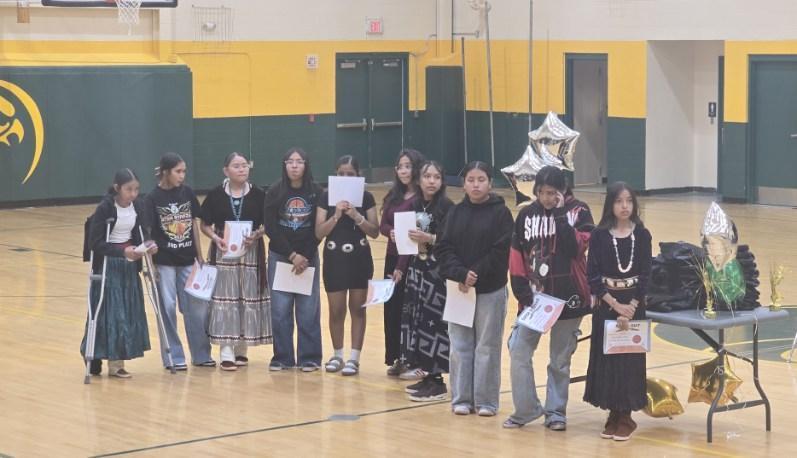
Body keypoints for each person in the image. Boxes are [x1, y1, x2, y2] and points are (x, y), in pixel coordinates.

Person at [503, 166, 594, 430]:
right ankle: (526, 409)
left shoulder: (579, 211)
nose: (546, 198)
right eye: (541, 192)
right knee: (518, 349)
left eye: (552, 193)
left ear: (563, 191)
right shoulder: (526, 214)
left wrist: (561, 215)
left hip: (570, 297)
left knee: (559, 359)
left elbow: (577, 247)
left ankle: (556, 412)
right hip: (535, 301)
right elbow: (516, 255)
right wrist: (521, 291)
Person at [436, 161, 514, 416]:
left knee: (486, 346)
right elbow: (444, 247)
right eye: (471, 180)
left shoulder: (501, 214)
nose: (476, 184)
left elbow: (501, 250)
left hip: (490, 289)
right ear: (464, 184)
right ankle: (461, 398)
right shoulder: (455, 213)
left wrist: (476, 273)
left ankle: (486, 401)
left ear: (490, 183)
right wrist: (460, 273)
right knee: (459, 345)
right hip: (459, 289)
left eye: (481, 179)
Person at [583, 182, 652, 441]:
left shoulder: (642, 235)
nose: (624, 206)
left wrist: (631, 307)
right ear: (610, 205)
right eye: (619, 201)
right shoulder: (600, 236)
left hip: (633, 304)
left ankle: (626, 416)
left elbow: (646, 274)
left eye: (629, 201)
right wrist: (614, 304)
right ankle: (612, 412)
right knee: (608, 360)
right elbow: (593, 275)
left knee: (629, 360)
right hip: (607, 304)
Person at [199, 152, 272, 372]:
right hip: (224, 252)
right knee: (225, 299)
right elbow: (204, 224)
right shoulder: (215, 195)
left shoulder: (259, 195)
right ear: (226, 171)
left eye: (244, 165)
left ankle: (242, 348)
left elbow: (268, 224)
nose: (242, 169)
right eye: (236, 166)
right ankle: (226, 350)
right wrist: (215, 238)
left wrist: (257, 235)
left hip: (250, 253)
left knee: (248, 297)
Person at [81, 169, 154, 378]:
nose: (133, 194)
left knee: (127, 313)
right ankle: (106, 359)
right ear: (117, 188)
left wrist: (147, 245)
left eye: (136, 189)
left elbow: (143, 231)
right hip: (109, 264)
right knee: (113, 315)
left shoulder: (138, 205)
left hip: (129, 264)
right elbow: (95, 243)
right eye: (128, 189)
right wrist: (122, 251)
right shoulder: (105, 208)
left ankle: (113, 360)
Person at [145, 152, 214, 370]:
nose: (182, 176)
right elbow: (148, 233)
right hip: (164, 262)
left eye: (184, 171)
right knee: (167, 307)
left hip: (188, 260)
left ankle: (201, 354)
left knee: (196, 308)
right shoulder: (152, 199)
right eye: (178, 171)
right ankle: (174, 356)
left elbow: (193, 223)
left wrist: (200, 255)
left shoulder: (187, 193)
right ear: (166, 172)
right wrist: (152, 263)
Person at [315, 155, 380, 376]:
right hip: (334, 258)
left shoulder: (367, 197)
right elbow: (318, 232)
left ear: (358, 176)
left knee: (358, 308)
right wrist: (336, 215)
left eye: (350, 174)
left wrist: (356, 215)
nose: (345, 177)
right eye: (341, 173)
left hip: (359, 258)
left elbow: (374, 231)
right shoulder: (326, 197)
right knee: (336, 309)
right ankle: (337, 354)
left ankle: (354, 357)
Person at [397, 161, 454, 401]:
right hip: (418, 271)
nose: (431, 181)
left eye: (436, 177)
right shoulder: (415, 205)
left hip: (437, 275)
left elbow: (452, 240)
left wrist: (429, 237)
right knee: (418, 322)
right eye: (427, 176)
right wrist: (399, 236)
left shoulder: (447, 207)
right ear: (419, 180)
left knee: (436, 325)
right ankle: (426, 375)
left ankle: (438, 380)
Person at [264, 147, 323, 372]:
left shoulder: (316, 193)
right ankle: (283, 357)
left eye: (299, 161)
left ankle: (310, 357)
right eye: (290, 161)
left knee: (308, 310)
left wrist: (304, 256)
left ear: (306, 165)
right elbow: (271, 227)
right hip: (281, 257)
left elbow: (318, 229)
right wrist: (292, 255)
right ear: (284, 165)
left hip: (308, 258)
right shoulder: (275, 191)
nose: (295, 166)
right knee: (280, 311)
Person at [379, 148, 425, 377]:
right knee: (392, 310)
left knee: (411, 312)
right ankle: (397, 357)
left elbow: (412, 238)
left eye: (408, 166)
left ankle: (413, 360)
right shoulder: (393, 196)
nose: (404, 170)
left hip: (410, 262)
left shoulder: (421, 199)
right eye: (400, 166)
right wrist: (391, 232)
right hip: (391, 258)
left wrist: (400, 267)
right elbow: (382, 225)